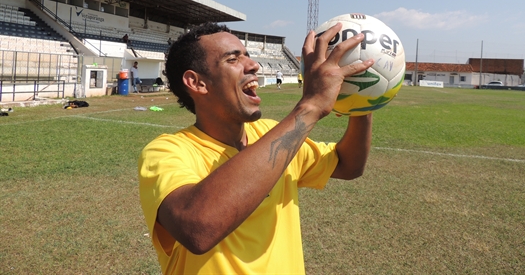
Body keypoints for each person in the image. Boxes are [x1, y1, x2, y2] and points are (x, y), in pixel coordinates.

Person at [138, 22, 374, 275]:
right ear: (197, 83)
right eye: (233, 59)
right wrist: (310, 107)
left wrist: (361, 104)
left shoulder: (269, 134)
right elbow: (198, 229)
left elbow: (348, 164)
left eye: (248, 56)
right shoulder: (167, 151)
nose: (253, 65)